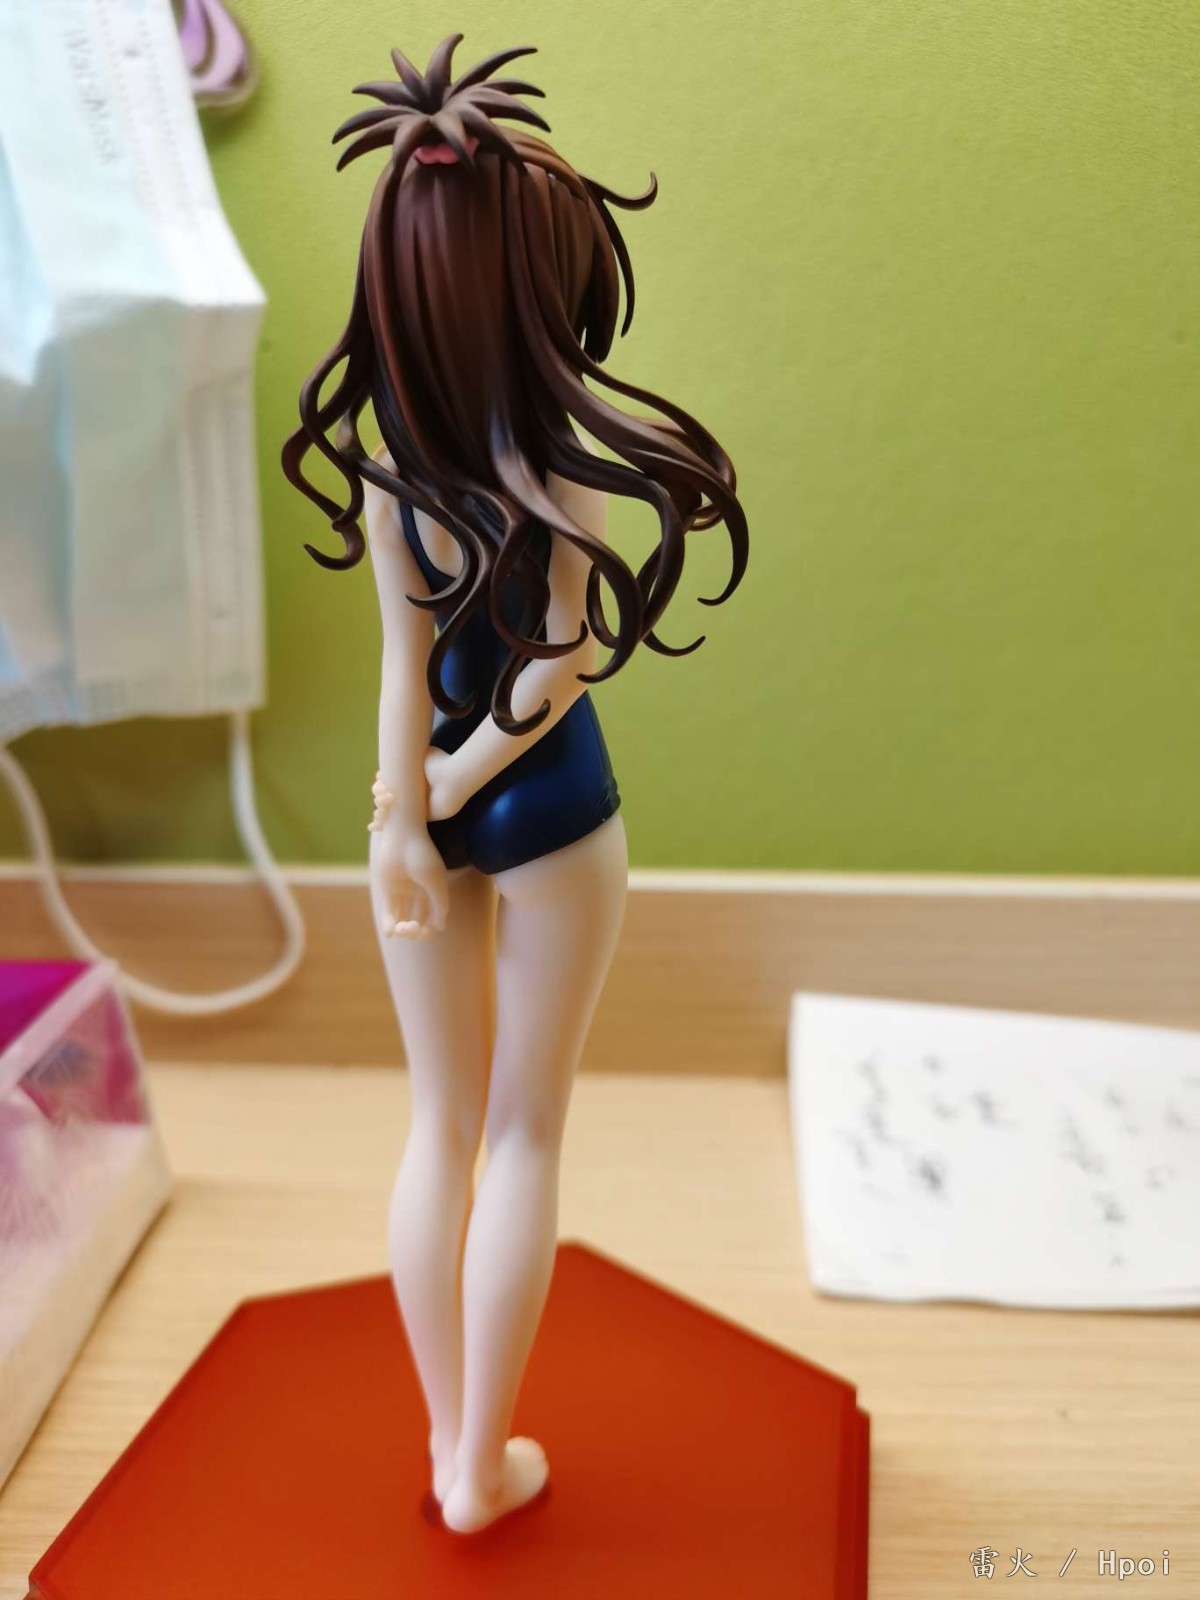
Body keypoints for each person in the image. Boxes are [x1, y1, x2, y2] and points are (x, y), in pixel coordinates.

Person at [282, 32, 747, 1534]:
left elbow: (407, 662)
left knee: (440, 1127)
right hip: (551, 819)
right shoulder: (560, 472)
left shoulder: (392, 476)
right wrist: (441, 792)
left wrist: (407, 809)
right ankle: (478, 1462)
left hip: (432, 802)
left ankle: (451, 1450)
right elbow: (560, 670)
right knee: (521, 1133)